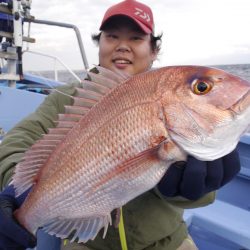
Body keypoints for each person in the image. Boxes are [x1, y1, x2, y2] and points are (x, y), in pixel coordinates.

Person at [0, 0, 240, 250]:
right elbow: (19, 139)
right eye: (112, 36)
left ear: (154, 49)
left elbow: (194, 190)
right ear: (100, 43)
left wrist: (196, 189)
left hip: (167, 241)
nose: (122, 46)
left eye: (136, 38)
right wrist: (17, 191)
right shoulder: (69, 98)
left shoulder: (180, 106)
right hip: (88, 244)